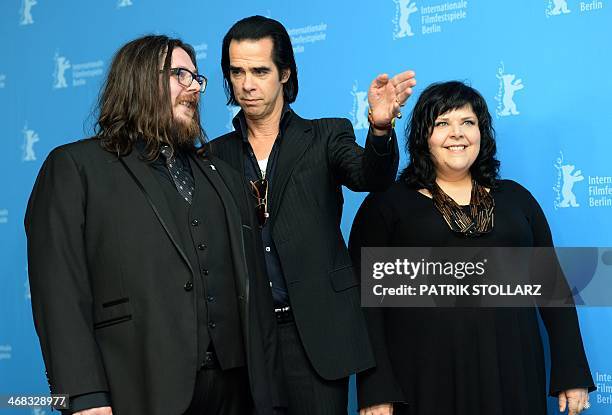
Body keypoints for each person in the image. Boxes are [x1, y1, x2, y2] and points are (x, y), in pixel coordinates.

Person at [25, 35, 282, 415]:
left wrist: (270, 400)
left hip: (235, 394)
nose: (194, 87)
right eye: (180, 75)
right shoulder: (75, 168)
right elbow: (59, 293)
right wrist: (85, 397)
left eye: (197, 78)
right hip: (139, 390)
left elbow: (256, 296)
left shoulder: (223, 177)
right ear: (139, 80)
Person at [209, 15, 416, 415]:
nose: (246, 84)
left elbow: (371, 177)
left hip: (317, 335)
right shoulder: (213, 156)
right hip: (247, 340)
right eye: (236, 72)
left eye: (259, 71)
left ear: (284, 73)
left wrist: (378, 127)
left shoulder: (326, 135)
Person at [349, 81, 595, 415]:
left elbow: (554, 289)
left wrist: (572, 371)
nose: (457, 133)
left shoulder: (516, 199)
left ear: (482, 133)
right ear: (423, 135)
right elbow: (365, 304)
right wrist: (376, 388)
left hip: (513, 374)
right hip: (423, 379)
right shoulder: (387, 206)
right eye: (442, 124)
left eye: (468, 122)